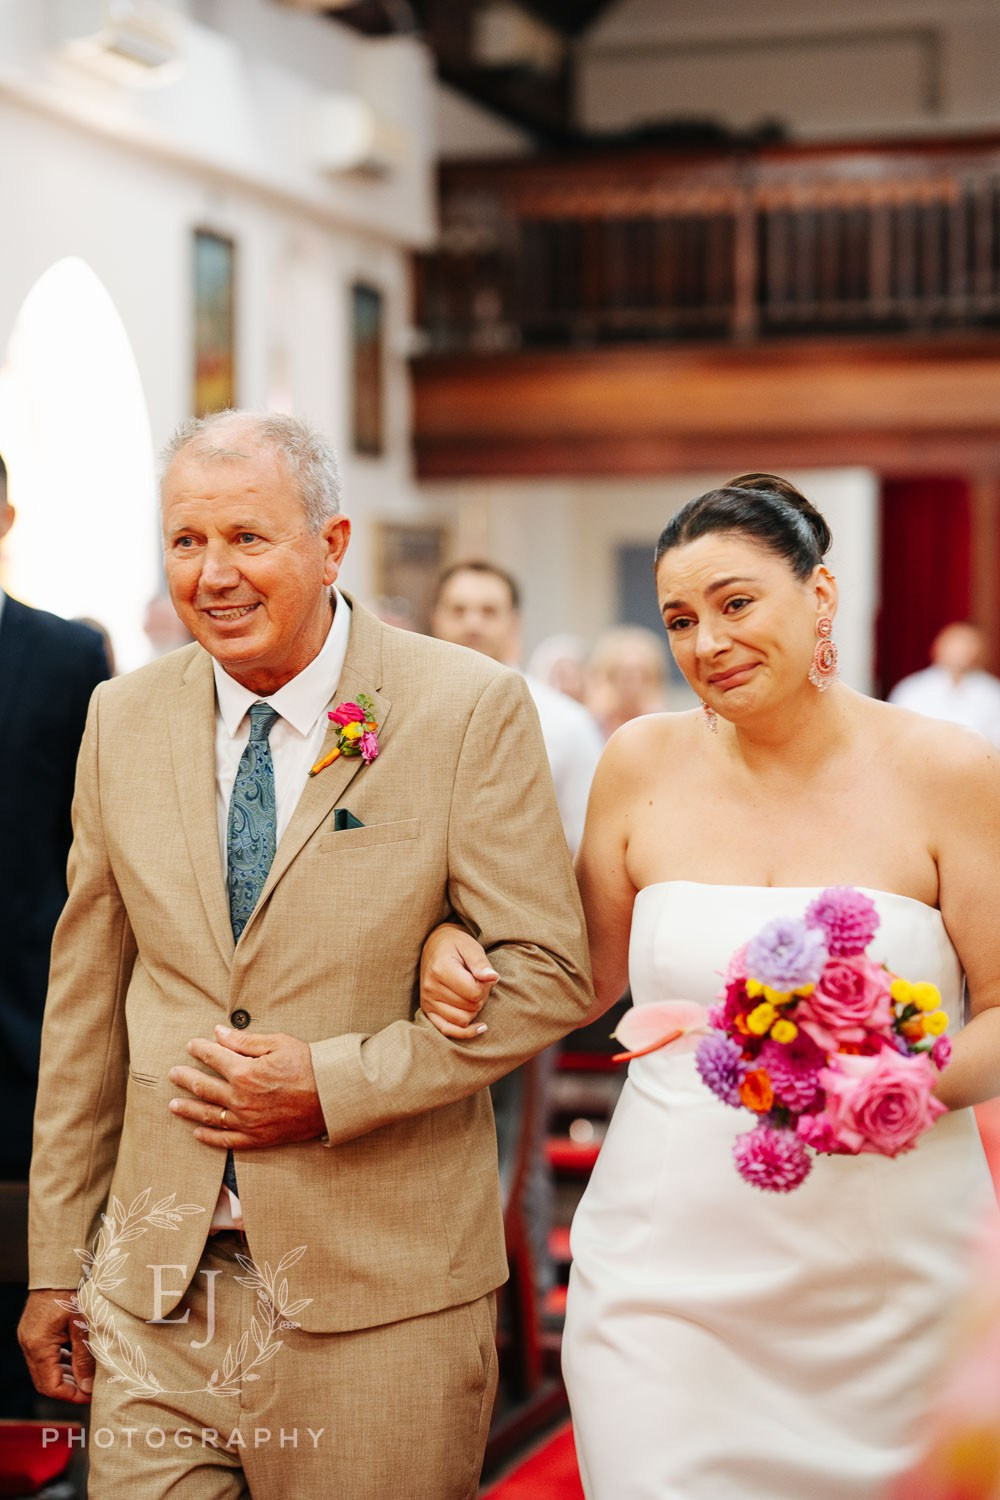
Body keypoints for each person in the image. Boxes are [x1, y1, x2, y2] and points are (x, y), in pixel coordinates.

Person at [18, 411, 592, 1499]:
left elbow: (548, 971)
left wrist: (332, 1086)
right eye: (186, 541)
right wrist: (58, 1264)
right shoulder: (120, 717)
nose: (213, 574)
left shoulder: (461, 708)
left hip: (382, 1300)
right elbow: (85, 1006)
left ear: (331, 545)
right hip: (158, 1296)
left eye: (247, 538)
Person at [419, 474, 1000, 1500]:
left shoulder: (949, 771)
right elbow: (575, 976)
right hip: (666, 1258)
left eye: (735, 604)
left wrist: (892, 1087)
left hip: (890, 1265)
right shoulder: (639, 761)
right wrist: (450, 946)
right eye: (680, 619)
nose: (706, 643)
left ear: (818, 594)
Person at [0, 456, 110, 1417]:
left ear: (6, 513)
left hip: (24, 1017)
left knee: (27, 1271)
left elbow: (92, 850)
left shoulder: (69, 658)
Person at [430, 561, 603, 855]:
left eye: (489, 612)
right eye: (458, 610)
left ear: (514, 624)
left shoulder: (567, 722)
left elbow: (586, 843)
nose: (472, 624)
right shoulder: (403, 710)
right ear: (435, 618)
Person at [889, 620, 1000, 747]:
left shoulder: (992, 693)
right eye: (955, 644)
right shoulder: (912, 689)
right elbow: (897, 736)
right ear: (937, 647)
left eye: (967, 644)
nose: (961, 651)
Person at [584, 623, 670, 739]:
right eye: (625, 676)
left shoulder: (660, 721)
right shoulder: (594, 722)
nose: (632, 685)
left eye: (641, 676)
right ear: (610, 677)